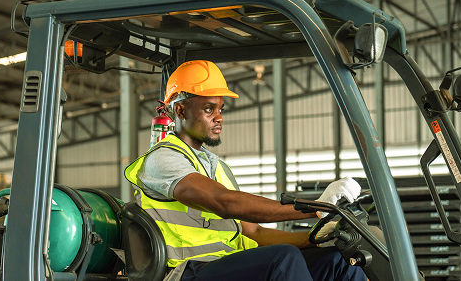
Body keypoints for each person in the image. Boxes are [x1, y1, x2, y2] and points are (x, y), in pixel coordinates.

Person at [124, 60, 366, 281]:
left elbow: (254, 231)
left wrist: (319, 237)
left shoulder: (217, 168)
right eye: (209, 109)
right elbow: (224, 202)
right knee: (283, 259)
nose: (218, 117)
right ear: (180, 111)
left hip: (228, 266)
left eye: (220, 109)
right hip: (188, 272)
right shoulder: (163, 158)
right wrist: (315, 209)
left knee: (337, 260)